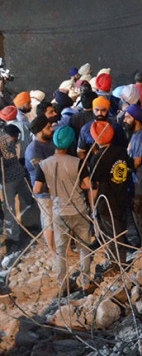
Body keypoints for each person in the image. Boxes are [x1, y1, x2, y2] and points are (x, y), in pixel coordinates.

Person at [35, 126, 93, 295]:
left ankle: (63, 286)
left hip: (59, 211)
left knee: (60, 252)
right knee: (84, 248)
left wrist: (52, 189)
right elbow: (87, 185)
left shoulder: (43, 165)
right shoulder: (77, 163)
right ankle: (85, 284)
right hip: (79, 210)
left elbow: (37, 189)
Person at [84, 120, 133, 264]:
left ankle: (117, 263)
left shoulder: (97, 158)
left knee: (113, 235)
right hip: (122, 196)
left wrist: (92, 207)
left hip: (106, 202)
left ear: (95, 138)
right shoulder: (121, 151)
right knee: (119, 229)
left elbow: (94, 186)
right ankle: (118, 259)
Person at [25, 114, 55, 261]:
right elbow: (42, 175)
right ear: (39, 132)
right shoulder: (34, 150)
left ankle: (63, 249)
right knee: (49, 222)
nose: (51, 129)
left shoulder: (48, 141)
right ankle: (53, 252)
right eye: (48, 128)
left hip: (55, 189)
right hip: (44, 192)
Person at [123, 104, 142, 249]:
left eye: (127, 117)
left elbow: (136, 162)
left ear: (135, 119)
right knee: (137, 213)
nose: (125, 120)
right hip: (134, 181)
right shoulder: (135, 134)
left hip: (141, 181)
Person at [0, 119, 32, 251]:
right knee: (28, 199)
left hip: (8, 179)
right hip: (18, 172)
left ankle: (14, 238)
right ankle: (33, 222)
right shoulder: (5, 135)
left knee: (9, 209)